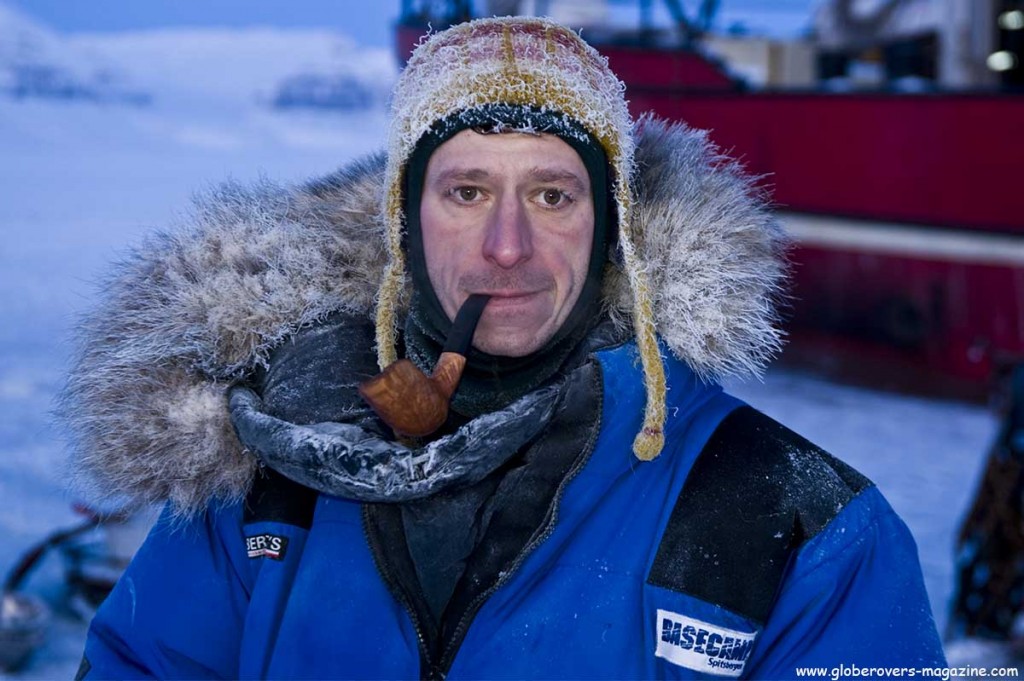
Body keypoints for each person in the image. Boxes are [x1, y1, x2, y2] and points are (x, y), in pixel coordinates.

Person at [62, 16, 945, 680]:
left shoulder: (803, 528)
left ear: (614, 233)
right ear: (404, 225)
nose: (508, 245)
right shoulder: (264, 482)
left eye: (555, 195)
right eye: (468, 190)